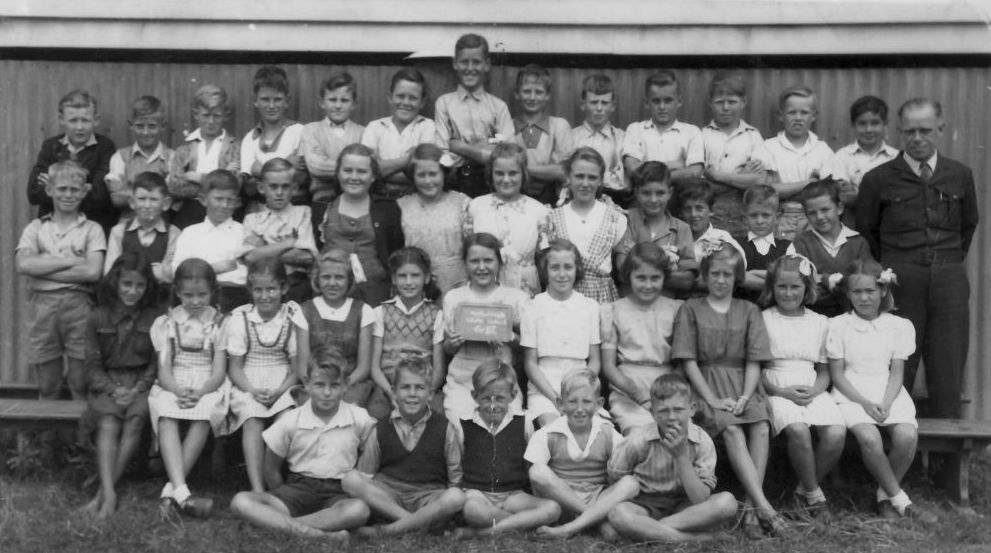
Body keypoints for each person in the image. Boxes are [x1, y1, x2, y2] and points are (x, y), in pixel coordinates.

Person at [857, 98, 978, 420]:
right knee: (899, 364)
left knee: (948, 366)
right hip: (900, 279)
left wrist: (944, 262)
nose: (917, 137)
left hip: (949, 278)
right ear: (899, 132)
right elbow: (868, 231)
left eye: (925, 130)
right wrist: (900, 265)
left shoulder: (960, 174)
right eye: (910, 131)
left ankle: (946, 468)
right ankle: (901, 462)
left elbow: (968, 225)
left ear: (940, 129)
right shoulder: (878, 179)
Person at [672, 244, 789, 538]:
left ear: (736, 277)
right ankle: (766, 509)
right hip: (705, 385)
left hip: (743, 386)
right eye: (715, 274)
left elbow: (754, 360)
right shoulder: (691, 308)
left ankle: (751, 508)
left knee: (761, 425)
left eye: (727, 274)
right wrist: (711, 399)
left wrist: (746, 396)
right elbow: (687, 360)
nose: (721, 280)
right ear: (705, 275)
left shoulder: (749, 310)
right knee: (733, 429)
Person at [827, 260, 936, 522]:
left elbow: (897, 372)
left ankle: (883, 496)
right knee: (870, 438)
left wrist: (886, 402)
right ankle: (900, 500)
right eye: (857, 292)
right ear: (848, 294)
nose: (864, 298)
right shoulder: (838, 325)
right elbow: (838, 375)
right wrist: (864, 403)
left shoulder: (898, 326)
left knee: (907, 437)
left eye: (870, 291)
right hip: (851, 394)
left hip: (888, 390)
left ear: (883, 291)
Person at [228, 348, 374, 540]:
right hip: (297, 489)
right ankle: (319, 535)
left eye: (335, 385)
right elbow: (271, 468)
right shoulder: (291, 420)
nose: (327, 392)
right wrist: (282, 494)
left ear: (346, 385)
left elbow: (370, 458)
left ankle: (274, 526)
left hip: (338, 491)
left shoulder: (359, 418)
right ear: (307, 384)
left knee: (359, 510)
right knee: (241, 501)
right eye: (320, 385)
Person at [759, 255, 845, 519]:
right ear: (772, 289)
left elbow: (823, 371)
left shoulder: (820, 322)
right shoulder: (763, 319)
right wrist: (780, 392)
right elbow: (756, 371)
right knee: (797, 429)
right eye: (781, 287)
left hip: (811, 385)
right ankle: (816, 497)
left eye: (795, 287)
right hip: (774, 385)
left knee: (836, 433)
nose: (788, 293)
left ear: (806, 288)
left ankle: (801, 492)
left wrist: (816, 390)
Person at [606, 374, 737, 543]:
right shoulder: (638, 439)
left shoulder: (702, 441)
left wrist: (681, 456)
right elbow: (616, 478)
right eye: (663, 411)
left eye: (678, 409)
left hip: (686, 508)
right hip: (644, 505)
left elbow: (700, 498)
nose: (672, 417)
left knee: (727, 502)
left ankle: (649, 530)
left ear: (692, 409)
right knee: (619, 514)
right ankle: (700, 538)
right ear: (653, 413)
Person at [344, 356, 466, 537]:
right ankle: (416, 524)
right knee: (350, 479)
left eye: (420, 388)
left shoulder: (445, 428)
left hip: (428, 496)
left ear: (431, 394)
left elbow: (455, 479)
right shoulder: (380, 428)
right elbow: (365, 475)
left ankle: (387, 531)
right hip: (389, 496)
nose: (412, 394)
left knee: (455, 496)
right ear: (393, 392)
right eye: (405, 387)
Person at [16, 160, 106, 402]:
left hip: (79, 306)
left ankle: (80, 440)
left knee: (80, 383)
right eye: (62, 188)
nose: (68, 195)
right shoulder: (35, 228)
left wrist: (43, 266)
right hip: (41, 307)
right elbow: (23, 265)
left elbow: (92, 272)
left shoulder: (92, 229)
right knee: (48, 385)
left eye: (74, 190)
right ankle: (45, 440)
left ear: (84, 192)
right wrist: (72, 261)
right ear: (49, 190)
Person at [82, 253, 162, 519]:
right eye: (127, 284)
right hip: (108, 384)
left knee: (136, 419)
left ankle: (102, 495)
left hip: (141, 384)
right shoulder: (97, 317)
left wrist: (139, 388)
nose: (132, 291)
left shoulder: (155, 318)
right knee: (109, 421)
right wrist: (113, 389)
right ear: (116, 283)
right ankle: (109, 492)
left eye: (139, 286)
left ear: (147, 287)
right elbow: (92, 365)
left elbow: (156, 363)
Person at [149, 258, 229, 520]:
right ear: (177, 292)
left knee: (203, 416)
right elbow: (164, 369)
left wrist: (201, 392)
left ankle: (170, 491)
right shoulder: (167, 323)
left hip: (207, 384)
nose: (195, 301)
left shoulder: (219, 322)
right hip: (175, 383)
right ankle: (183, 493)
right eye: (188, 295)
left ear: (212, 292)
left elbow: (218, 371)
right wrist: (178, 390)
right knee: (166, 415)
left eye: (202, 295)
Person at [226, 258, 307, 492]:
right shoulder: (241, 318)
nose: (265, 296)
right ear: (250, 291)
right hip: (249, 380)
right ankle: (257, 487)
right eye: (258, 290)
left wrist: (280, 390)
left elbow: (296, 368)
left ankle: (277, 479)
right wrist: (252, 390)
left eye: (271, 289)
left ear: (283, 288)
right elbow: (235, 368)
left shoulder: (292, 316)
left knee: (286, 420)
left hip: (284, 380)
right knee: (252, 419)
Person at [526, 369, 636, 539]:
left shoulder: (606, 432)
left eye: (586, 402)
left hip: (598, 498)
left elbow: (625, 466)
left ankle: (569, 529)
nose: (579, 409)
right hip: (562, 502)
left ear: (599, 404)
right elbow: (535, 480)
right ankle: (593, 520)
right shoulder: (548, 434)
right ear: (560, 403)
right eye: (572, 402)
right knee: (537, 471)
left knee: (631, 482)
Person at [456, 359, 561, 538]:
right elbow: (457, 466)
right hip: (478, 494)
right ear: (474, 396)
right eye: (486, 398)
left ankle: (482, 532)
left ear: (512, 395)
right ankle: (522, 524)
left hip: (513, 496)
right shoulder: (463, 425)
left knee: (553, 509)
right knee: (472, 510)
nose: (492, 405)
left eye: (500, 398)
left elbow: (530, 464)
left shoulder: (525, 422)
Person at [442, 233, 528, 420]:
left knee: (507, 428)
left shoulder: (515, 298)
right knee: (459, 428)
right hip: (463, 379)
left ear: (499, 262)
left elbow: (525, 347)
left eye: (488, 260)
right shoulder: (454, 298)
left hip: (502, 380)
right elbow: (447, 349)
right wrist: (453, 343)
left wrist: (510, 337)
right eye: (474, 261)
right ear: (465, 264)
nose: (482, 267)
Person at [602, 243, 683, 434]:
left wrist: (665, 394)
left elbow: (683, 363)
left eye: (655, 278)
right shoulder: (613, 311)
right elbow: (608, 366)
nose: (648, 285)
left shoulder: (677, 310)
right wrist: (639, 396)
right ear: (629, 276)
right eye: (641, 278)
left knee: (673, 435)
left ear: (665, 277)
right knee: (640, 436)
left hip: (668, 389)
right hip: (628, 391)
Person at [521, 239, 601, 427]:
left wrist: (582, 390)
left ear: (577, 269)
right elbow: (530, 363)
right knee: (556, 430)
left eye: (568, 267)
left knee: (597, 432)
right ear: (545, 271)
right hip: (545, 391)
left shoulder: (589, 306)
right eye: (555, 268)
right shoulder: (532, 307)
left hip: (582, 388)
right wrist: (556, 398)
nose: (562, 274)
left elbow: (595, 360)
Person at [320, 143, 405, 306]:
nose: (354, 177)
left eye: (362, 171)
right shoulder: (322, 207)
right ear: (338, 173)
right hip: (331, 295)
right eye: (347, 170)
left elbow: (396, 253)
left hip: (376, 295)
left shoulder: (388, 209)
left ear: (373, 176)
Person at [464, 142, 551, 297]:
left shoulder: (538, 211)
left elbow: (545, 256)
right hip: (485, 284)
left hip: (525, 286)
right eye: (499, 173)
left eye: (512, 173)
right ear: (491, 173)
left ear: (523, 173)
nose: (505, 179)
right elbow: (468, 250)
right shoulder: (475, 207)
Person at [434, 33, 515, 198]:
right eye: (464, 62)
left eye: (476, 62)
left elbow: (508, 149)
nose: (470, 68)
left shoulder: (498, 107)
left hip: (490, 181)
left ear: (486, 64)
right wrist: (487, 147)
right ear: (455, 63)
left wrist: (459, 146)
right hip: (454, 180)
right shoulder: (444, 104)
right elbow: (442, 154)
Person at [369, 247, 445, 419]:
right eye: (402, 276)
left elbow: (439, 369)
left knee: (437, 419)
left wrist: (425, 394)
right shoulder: (380, 312)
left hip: (422, 387)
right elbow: (374, 367)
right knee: (375, 416)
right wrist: (391, 393)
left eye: (415, 275)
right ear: (394, 279)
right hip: (388, 386)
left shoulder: (436, 314)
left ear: (426, 278)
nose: (409, 282)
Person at [27, 89, 117, 233]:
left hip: (90, 229)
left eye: (85, 120)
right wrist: (83, 186)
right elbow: (34, 193)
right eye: (73, 120)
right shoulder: (51, 146)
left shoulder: (105, 147)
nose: (79, 127)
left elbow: (100, 197)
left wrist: (55, 185)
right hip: (52, 229)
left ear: (96, 120)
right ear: (62, 119)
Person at [549, 148, 627, 303]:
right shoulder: (552, 218)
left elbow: (622, 265)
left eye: (592, 177)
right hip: (562, 295)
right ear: (568, 178)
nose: (585, 183)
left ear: (600, 180)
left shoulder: (615, 218)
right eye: (579, 176)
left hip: (601, 296)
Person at [300, 249, 375, 407]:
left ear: (349, 280)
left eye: (339, 277)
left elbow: (363, 367)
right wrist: (321, 387)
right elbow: (302, 366)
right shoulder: (305, 311)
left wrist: (339, 387)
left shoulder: (363, 311)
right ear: (317, 279)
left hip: (351, 385)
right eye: (326, 277)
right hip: (315, 386)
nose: (332, 283)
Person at [701, 70, 772, 235]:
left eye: (732, 102)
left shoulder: (753, 136)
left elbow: (760, 181)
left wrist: (718, 176)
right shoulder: (702, 135)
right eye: (720, 102)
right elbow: (701, 182)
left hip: (743, 213)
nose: (725, 108)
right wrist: (742, 177)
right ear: (710, 102)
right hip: (711, 212)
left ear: (743, 102)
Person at [171, 169, 250, 312]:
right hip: (197, 302)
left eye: (230, 200)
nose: (224, 205)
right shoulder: (190, 233)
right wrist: (216, 268)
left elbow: (246, 274)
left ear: (238, 202)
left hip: (237, 301)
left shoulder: (244, 232)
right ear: (203, 199)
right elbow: (178, 271)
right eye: (218, 199)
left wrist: (201, 272)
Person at [241, 157, 318, 303]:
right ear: (261, 188)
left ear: (294, 188)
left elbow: (306, 257)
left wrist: (263, 248)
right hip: (262, 286)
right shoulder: (252, 220)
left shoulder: (303, 213)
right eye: (273, 186)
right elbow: (249, 258)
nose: (279, 192)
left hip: (296, 285)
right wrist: (288, 243)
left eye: (285, 186)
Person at [763, 85, 835, 240]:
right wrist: (808, 184)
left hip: (814, 220)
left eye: (804, 112)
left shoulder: (823, 150)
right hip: (779, 220)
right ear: (781, 115)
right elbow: (768, 192)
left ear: (814, 116)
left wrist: (785, 190)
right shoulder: (768, 147)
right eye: (792, 112)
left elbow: (826, 193)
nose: (798, 117)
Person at [396, 143, 471, 293]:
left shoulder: (462, 204)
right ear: (412, 176)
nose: (428, 181)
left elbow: (472, 248)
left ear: (444, 173)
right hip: (415, 286)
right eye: (421, 175)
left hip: (457, 284)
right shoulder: (401, 206)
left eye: (433, 174)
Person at [793, 179, 874, 317]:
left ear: (840, 208)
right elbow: (804, 289)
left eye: (825, 210)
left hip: (853, 317)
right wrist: (843, 285)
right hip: (813, 318)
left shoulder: (858, 243)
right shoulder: (801, 243)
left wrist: (821, 279)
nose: (819, 217)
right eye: (812, 213)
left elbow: (866, 284)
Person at [615, 162, 697, 296]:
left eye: (660, 193)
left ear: (670, 193)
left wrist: (640, 272)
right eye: (646, 193)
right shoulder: (625, 220)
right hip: (629, 304)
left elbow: (687, 280)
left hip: (666, 307)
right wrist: (666, 273)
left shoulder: (682, 228)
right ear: (636, 192)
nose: (653, 200)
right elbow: (622, 271)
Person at [166, 84, 240, 229]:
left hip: (224, 213)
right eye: (206, 115)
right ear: (196, 114)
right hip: (189, 213)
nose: (211, 121)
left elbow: (235, 184)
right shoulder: (184, 149)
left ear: (225, 115)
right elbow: (174, 187)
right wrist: (221, 177)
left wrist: (197, 177)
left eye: (216, 115)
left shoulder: (235, 147)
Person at [301, 72, 365, 234]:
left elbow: (369, 167)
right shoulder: (311, 130)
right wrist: (354, 168)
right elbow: (317, 166)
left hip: (356, 205)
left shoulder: (363, 132)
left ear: (354, 104)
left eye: (344, 100)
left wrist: (334, 165)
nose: (338, 105)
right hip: (321, 203)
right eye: (332, 99)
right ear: (322, 102)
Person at [361, 68, 437, 199]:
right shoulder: (374, 127)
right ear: (390, 97)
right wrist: (408, 160)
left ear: (422, 102)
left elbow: (424, 172)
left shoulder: (428, 126)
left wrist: (381, 170)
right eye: (400, 96)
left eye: (413, 98)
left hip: (417, 199)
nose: (406, 103)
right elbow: (366, 170)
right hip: (378, 199)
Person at [240, 66, 307, 212]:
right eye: (265, 99)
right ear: (255, 100)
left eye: (277, 99)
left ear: (287, 101)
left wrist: (260, 170)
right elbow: (249, 187)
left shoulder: (300, 131)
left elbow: (301, 177)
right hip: (257, 211)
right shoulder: (250, 138)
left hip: (293, 209)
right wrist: (287, 163)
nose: (271, 106)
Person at [828, 96, 899, 227]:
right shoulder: (842, 157)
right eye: (862, 123)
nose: (868, 129)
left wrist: (858, 194)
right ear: (853, 124)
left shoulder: (896, 157)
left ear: (885, 123)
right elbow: (843, 197)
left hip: (888, 229)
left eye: (875, 123)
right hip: (852, 228)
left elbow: (898, 198)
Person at [103, 172, 179, 292]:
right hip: (125, 297)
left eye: (153, 199)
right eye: (142, 199)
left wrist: (128, 272)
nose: (147, 205)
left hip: (160, 299)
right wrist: (156, 270)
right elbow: (110, 273)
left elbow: (170, 275)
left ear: (165, 204)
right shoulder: (118, 232)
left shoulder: (174, 233)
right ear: (132, 202)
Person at [622, 71, 703, 183]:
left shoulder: (692, 132)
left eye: (668, 101)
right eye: (656, 101)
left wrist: (648, 171)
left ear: (679, 101)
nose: (662, 107)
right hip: (644, 195)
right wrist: (677, 165)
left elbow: (695, 172)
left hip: (680, 195)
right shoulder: (635, 130)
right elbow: (633, 169)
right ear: (646, 103)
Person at [512, 64, 572, 206]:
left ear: (548, 95)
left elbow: (566, 170)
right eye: (527, 91)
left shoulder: (559, 126)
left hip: (551, 199)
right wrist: (547, 170)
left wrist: (519, 168)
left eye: (538, 92)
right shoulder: (507, 126)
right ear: (516, 94)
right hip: (514, 197)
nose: (532, 97)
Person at [105, 95, 173, 214]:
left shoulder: (172, 157)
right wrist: (157, 194)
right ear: (131, 125)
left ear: (163, 126)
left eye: (152, 126)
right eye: (140, 126)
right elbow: (116, 199)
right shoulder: (120, 157)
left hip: (162, 226)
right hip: (127, 225)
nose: (145, 132)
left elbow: (173, 195)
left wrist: (128, 191)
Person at [569, 74, 627, 206]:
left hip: (614, 203)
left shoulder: (621, 138)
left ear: (613, 106)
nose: (599, 108)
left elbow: (622, 182)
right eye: (594, 102)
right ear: (583, 104)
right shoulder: (571, 138)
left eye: (605, 103)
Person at [733, 185, 795, 304]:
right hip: (744, 311)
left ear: (777, 217)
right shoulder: (736, 244)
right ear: (744, 218)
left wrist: (752, 274)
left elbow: (789, 279)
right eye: (753, 215)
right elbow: (738, 278)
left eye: (766, 215)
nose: (760, 221)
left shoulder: (788, 247)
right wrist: (776, 280)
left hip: (777, 312)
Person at [675, 178, 745, 268]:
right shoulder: (672, 239)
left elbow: (737, 271)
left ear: (711, 210)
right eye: (687, 209)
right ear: (680, 213)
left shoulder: (723, 239)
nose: (693, 214)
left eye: (699, 208)